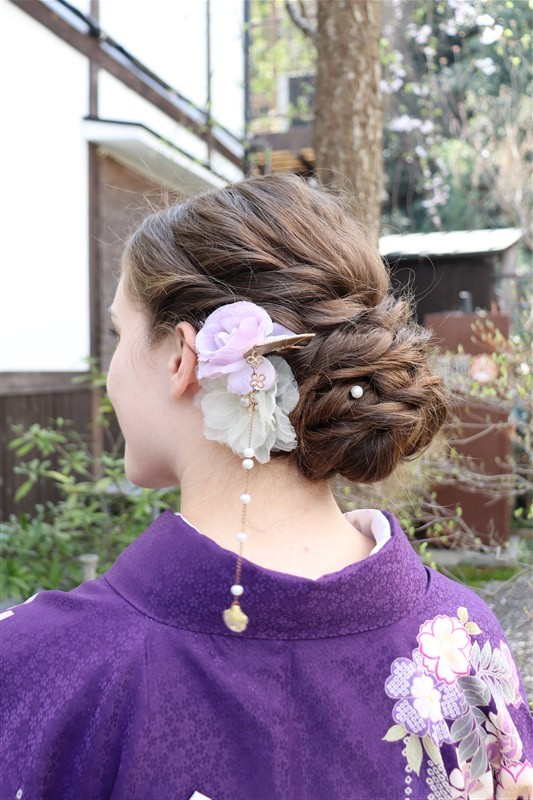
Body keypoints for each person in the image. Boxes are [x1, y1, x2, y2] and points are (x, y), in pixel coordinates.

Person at [1, 174, 531, 800]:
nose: (113, 369)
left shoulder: (36, 662)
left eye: (120, 334)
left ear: (182, 359)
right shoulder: (465, 646)